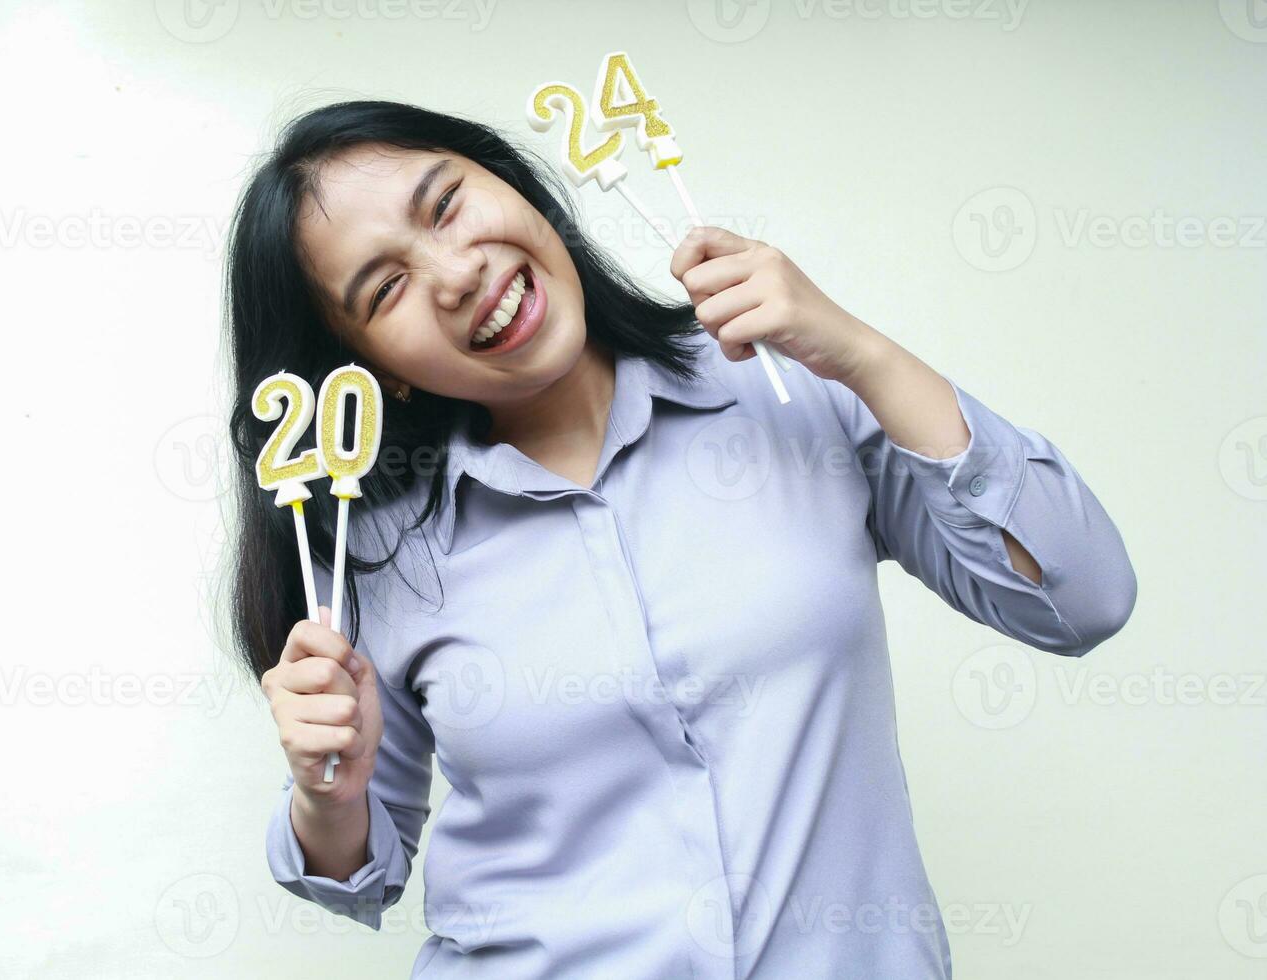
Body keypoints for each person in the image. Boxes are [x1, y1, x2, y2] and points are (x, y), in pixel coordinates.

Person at [223, 100, 1137, 979]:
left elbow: (1078, 600)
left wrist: (861, 352)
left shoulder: (783, 385)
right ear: (374, 371)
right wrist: (325, 796)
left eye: (448, 204)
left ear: (517, 185)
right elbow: (362, 876)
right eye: (386, 289)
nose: (455, 274)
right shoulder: (374, 551)